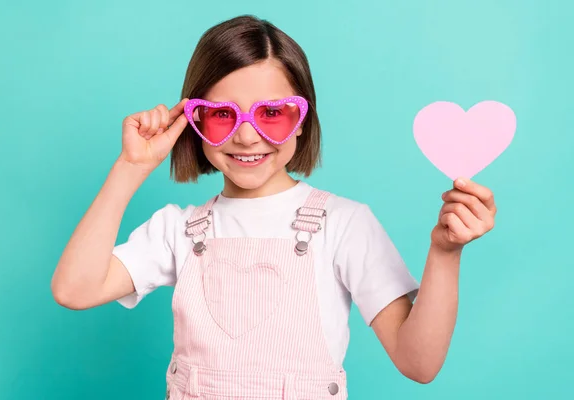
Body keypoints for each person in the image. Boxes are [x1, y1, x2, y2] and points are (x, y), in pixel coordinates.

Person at [51, 15, 497, 400]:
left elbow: (418, 363)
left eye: (271, 114)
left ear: (302, 122)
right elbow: (74, 289)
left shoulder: (343, 225)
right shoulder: (179, 230)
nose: (247, 136)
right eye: (224, 114)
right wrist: (131, 167)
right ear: (194, 121)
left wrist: (445, 253)